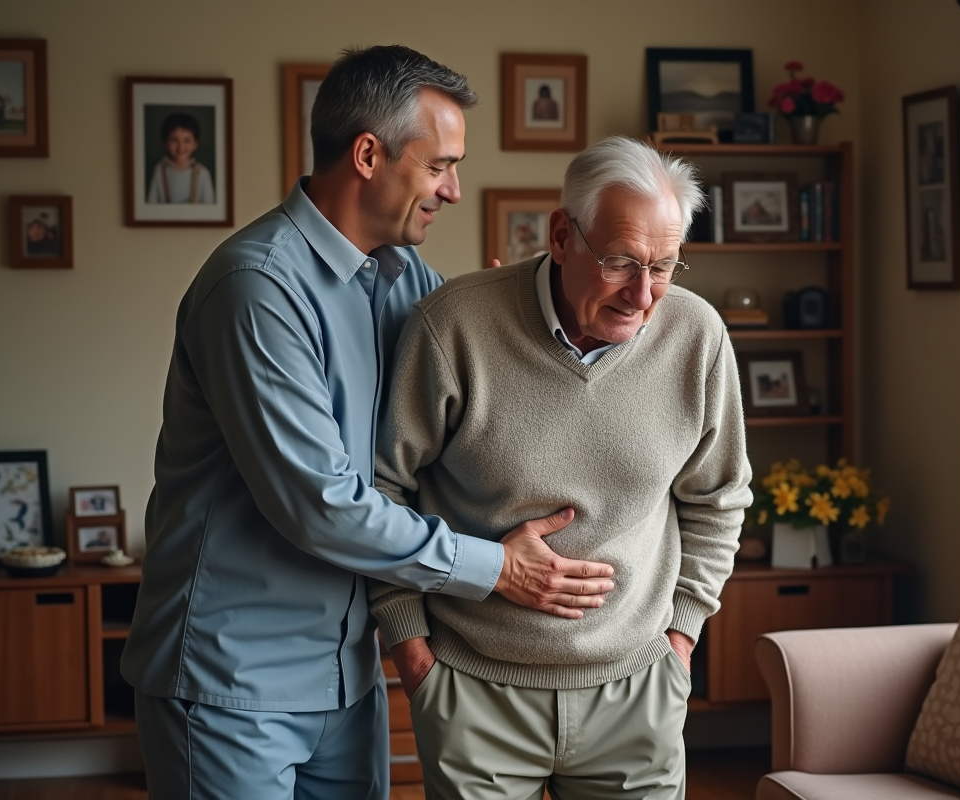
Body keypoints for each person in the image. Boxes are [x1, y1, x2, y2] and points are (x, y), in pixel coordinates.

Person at [122, 45, 614, 800]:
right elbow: (321, 505)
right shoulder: (256, 288)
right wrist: (498, 567)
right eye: (440, 165)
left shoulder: (407, 280)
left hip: (347, 676)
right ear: (366, 155)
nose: (454, 190)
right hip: (230, 682)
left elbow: (477, 393)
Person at [370, 136, 754, 800]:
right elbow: (383, 489)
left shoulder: (698, 337)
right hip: (473, 685)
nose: (642, 294)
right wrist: (411, 648)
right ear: (559, 236)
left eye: (664, 267)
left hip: (637, 685)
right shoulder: (453, 326)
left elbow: (719, 498)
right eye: (621, 262)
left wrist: (682, 635)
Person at [145, 112, 216, 204]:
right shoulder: (159, 170)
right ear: (165, 143)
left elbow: (209, 209)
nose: (181, 147)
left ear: (195, 144)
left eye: (187, 140)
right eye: (174, 140)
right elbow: (151, 205)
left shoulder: (203, 173)